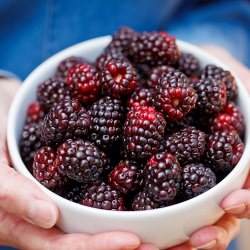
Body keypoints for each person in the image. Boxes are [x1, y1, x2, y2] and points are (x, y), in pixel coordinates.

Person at [0, 0, 250, 249]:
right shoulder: (83, 121)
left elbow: (224, 7)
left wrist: (217, 45)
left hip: (193, 226)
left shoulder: (161, 106)